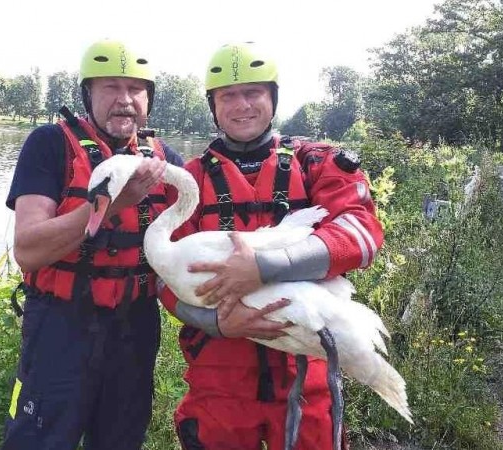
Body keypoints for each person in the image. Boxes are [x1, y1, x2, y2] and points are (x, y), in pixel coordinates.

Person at [158, 42, 385, 450]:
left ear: (272, 98)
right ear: (214, 105)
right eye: (228, 95)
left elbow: (362, 234)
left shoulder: (316, 162)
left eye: (253, 93)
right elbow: (163, 278)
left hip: (305, 369)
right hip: (218, 375)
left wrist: (267, 266)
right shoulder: (189, 181)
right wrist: (217, 323)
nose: (242, 105)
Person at [1, 39, 184, 449]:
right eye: (109, 88)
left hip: (135, 326)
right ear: (88, 94)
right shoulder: (49, 144)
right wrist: (112, 205)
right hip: (59, 325)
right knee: (37, 441)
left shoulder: (164, 159)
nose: (124, 100)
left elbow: (193, 242)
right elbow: (27, 250)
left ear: (149, 98)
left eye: (135, 89)